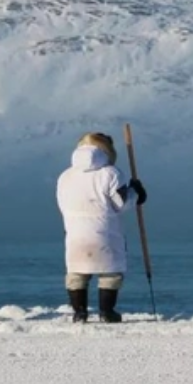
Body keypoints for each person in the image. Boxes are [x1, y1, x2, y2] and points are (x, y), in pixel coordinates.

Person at [56, 132, 147, 323]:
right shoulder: (110, 173)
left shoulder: (65, 176)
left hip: (75, 233)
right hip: (104, 231)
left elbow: (62, 204)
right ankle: (107, 312)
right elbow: (121, 203)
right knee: (110, 272)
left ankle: (79, 313)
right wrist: (135, 192)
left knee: (77, 272)